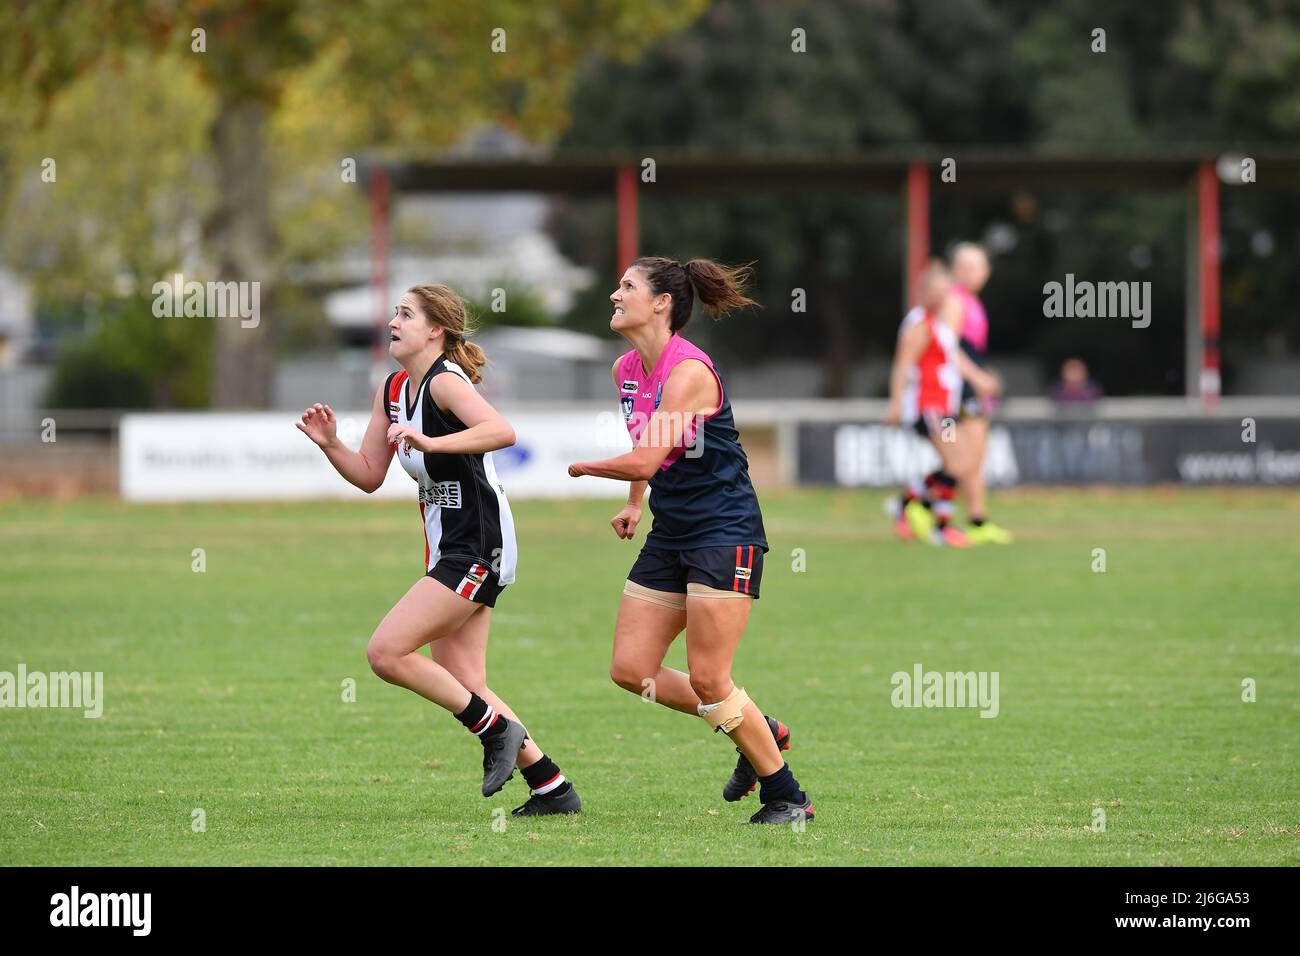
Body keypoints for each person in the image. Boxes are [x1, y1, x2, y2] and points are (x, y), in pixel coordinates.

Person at [296, 283, 580, 817]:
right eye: (394, 313)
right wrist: (332, 444)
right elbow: (369, 476)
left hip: (479, 546)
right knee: (466, 683)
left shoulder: (446, 383)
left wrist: (433, 442)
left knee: (386, 652)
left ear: (436, 330)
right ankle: (552, 789)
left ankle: (496, 732)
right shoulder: (393, 389)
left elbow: (502, 431)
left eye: (406, 314)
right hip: (448, 549)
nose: (393, 321)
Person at [567, 256, 810, 825]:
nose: (613, 295)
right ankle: (757, 725)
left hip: (724, 531)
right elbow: (645, 443)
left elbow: (647, 454)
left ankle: (788, 795)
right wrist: (633, 502)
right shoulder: (626, 368)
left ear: (662, 303)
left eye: (626, 286)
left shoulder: (690, 372)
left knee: (708, 677)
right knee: (632, 670)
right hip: (671, 530)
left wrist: (585, 470)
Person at [886, 261, 1000, 547]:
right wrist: (896, 403)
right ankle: (940, 527)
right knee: (958, 463)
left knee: (960, 464)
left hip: (945, 407)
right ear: (922, 292)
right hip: (930, 406)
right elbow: (902, 366)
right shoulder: (920, 325)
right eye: (933, 291)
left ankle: (907, 502)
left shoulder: (939, 325)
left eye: (943, 291)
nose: (939, 296)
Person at [944, 242, 1013, 544]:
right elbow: (949, 348)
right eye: (965, 267)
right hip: (958, 388)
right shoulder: (954, 302)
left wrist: (984, 378)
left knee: (975, 455)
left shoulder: (973, 303)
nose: (972, 273)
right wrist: (978, 379)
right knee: (964, 457)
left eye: (977, 267)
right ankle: (916, 504)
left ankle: (977, 519)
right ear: (954, 270)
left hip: (971, 387)